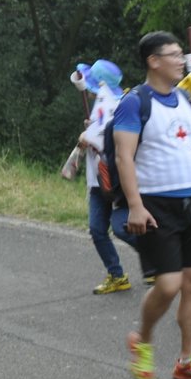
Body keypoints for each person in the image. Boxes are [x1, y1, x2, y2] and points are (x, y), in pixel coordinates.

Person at [118, 31, 191, 379]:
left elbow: (189, 139)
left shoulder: (185, 99)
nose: (183, 61)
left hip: (190, 201)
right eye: (174, 55)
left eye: (182, 54)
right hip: (153, 204)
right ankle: (142, 340)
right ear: (154, 61)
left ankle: (186, 360)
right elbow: (123, 156)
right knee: (168, 284)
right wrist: (134, 206)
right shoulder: (134, 102)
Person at [75, 59, 139, 295]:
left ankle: (157, 259)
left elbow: (116, 141)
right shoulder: (102, 105)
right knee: (97, 229)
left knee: (122, 226)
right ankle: (117, 274)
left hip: (118, 179)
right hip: (98, 180)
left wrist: (90, 137)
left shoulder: (118, 105)